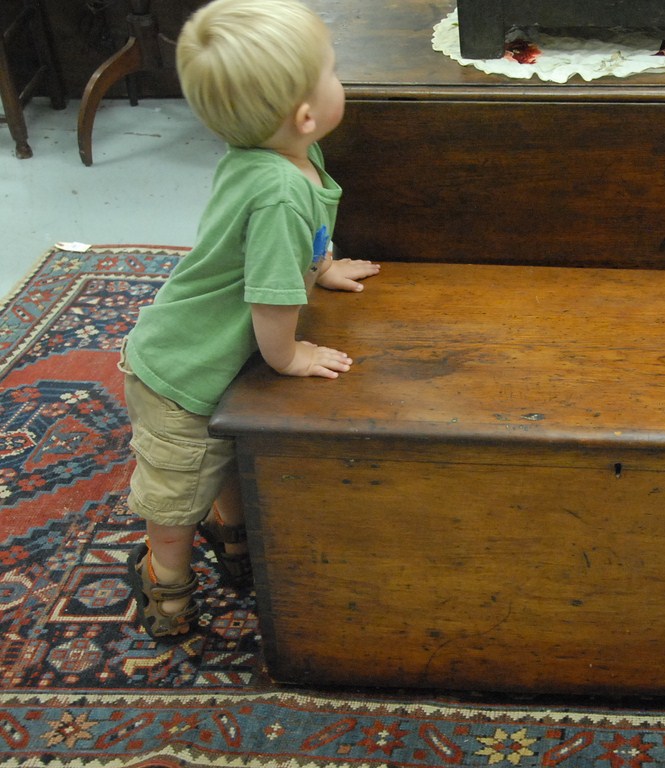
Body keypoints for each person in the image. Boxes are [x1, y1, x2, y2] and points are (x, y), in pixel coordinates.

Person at [120, 0, 379, 639]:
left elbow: (283, 246)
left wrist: (322, 267)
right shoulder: (279, 193)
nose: (340, 77)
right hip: (181, 376)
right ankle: (166, 585)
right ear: (306, 115)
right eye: (332, 70)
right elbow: (269, 301)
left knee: (228, 459)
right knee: (177, 497)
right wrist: (289, 357)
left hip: (211, 357)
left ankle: (234, 539)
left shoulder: (285, 155)